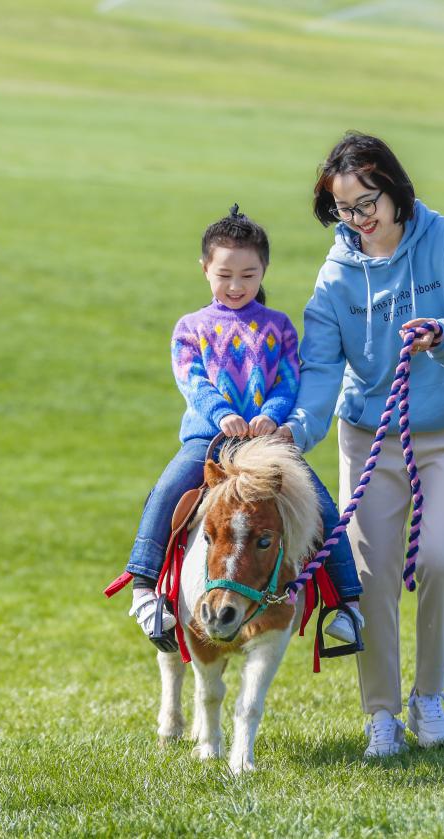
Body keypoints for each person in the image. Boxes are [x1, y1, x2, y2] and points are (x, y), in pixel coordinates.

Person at [277, 132, 444, 758]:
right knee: (370, 579)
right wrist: (295, 432)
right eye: (346, 208)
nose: (360, 216)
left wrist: (442, 334)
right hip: (369, 437)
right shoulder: (335, 278)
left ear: (395, 190)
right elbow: (320, 374)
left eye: (368, 200)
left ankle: (430, 700)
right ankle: (381, 715)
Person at [124, 205, 364, 643]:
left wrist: (270, 416)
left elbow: (288, 379)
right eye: (225, 274)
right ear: (205, 269)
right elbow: (192, 380)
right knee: (166, 490)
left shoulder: (280, 328)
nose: (236, 286)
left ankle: (346, 603)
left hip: (263, 444)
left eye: (249, 275)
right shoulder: (190, 328)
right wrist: (223, 414)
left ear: (264, 270)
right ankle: (143, 586)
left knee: (321, 503)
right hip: (209, 439)